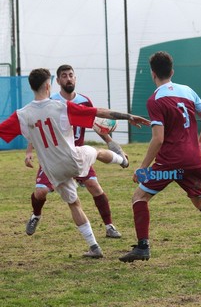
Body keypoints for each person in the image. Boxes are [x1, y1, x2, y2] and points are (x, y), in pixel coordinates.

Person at [0, 68, 150, 258]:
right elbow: (99, 112)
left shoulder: (21, 115)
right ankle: (122, 161)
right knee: (94, 151)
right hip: (73, 160)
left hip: (53, 171)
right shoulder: (61, 107)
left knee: (74, 203)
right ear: (48, 85)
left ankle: (94, 246)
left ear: (31, 87)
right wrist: (128, 116)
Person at [119, 51, 201, 263]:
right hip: (193, 159)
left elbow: (158, 139)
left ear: (153, 74)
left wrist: (143, 167)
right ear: (172, 72)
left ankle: (143, 247)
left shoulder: (155, 100)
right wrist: (200, 142)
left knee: (139, 197)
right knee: (200, 201)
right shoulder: (188, 91)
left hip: (169, 163)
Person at [25, 65, 123, 239]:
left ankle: (109, 226)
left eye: (71, 75)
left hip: (77, 156)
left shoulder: (84, 101)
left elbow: (95, 123)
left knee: (94, 186)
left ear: (75, 78)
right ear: (57, 81)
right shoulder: (52, 102)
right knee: (41, 192)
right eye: (64, 76)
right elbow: (37, 127)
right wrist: (29, 151)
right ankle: (36, 215)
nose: (68, 78)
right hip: (54, 156)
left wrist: (110, 142)